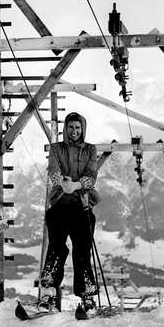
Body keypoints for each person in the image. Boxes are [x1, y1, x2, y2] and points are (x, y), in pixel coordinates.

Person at [38, 112, 100, 312]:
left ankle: (87, 296)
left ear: (83, 129)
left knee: (82, 251)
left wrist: (76, 184)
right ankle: (48, 294)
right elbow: (53, 171)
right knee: (56, 247)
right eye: (71, 127)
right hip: (60, 203)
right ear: (66, 129)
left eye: (78, 128)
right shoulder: (56, 148)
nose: (74, 131)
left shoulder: (90, 150)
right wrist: (62, 182)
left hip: (82, 204)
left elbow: (91, 174)